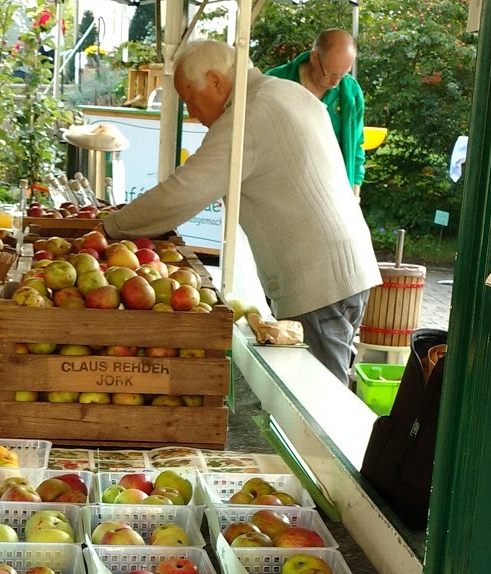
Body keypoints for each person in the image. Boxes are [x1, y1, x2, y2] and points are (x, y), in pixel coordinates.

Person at [99, 39, 381, 381]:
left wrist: (111, 228)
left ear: (216, 82)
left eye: (190, 99)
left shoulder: (249, 114)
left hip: (319, 278)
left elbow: (184, 192)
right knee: (325, 382)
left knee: (320, 398)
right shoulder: (283, 92)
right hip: (343, 269)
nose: (193, 114)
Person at [268, 27, 365, 195]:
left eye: (342, 75)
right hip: (281, 190)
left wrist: (354, 194)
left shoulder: (351, 92)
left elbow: (356, 147)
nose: (335, 82)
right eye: (330, 73)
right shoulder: (274, 82)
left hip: (333, 191)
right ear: (314, 58)